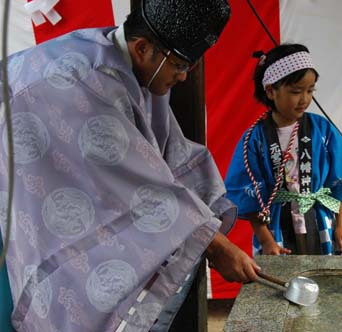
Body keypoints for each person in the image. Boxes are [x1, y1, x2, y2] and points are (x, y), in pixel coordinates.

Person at [0, 0, 259, 331]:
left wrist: (209, 220)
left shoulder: (118, 58)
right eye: (179, 65)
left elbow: (170, 159)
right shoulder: (88, 83)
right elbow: (143, 189)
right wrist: (218, 248)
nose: (182, 77)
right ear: (142, 48)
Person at [224, 44, 342, 257]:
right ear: (271, 91)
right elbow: (251, 196)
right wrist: (266, 240)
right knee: (282, 284)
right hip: (276, 228)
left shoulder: (322, 129)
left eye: (310, 91)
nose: (305, 99)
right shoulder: (254, 139)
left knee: (324, 280)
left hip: (320, 221)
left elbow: (337, 183)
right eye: (296, 91)